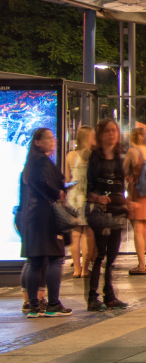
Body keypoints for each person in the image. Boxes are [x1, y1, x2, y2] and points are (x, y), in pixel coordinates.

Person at [20, 128, 71, 317]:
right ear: (37, 142)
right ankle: (53, 304)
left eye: (53, 137)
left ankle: (33, 305)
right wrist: (58, 193)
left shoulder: (31, 162)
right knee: (56, 258)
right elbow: (45, 183)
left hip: (33, 217)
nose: (53, 140)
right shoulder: (41, 161)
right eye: (48, 138)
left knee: (35, 260)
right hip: (46, 217)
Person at [85, 118, 130, 311]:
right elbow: (86, 188)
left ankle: (109, 296)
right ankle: (92, 297)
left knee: (112, 258)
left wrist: (128, 202)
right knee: (99, 256)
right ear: (101, 135)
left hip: (117, 212)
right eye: (108, 131)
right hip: (101, 213)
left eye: (115, 131)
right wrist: (96, 198)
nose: (112, 135)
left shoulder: (121, 158)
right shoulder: (94, 158)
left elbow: (123, 185)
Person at [123, 127, 146, 275]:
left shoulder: (132, 152)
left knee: (137, 229)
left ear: (132, 138)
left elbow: (123, 170)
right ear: (143, 137)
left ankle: (141, 265)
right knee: (145, 229)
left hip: (137, 193)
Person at [64, 125, 94, 279]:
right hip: (87, 197)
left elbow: (67, 179)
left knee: (75, 235)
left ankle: (76, 268)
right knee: (88, 234)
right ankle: (85, 269)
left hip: (74, 198)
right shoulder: (92, 155)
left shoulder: (71, 155)